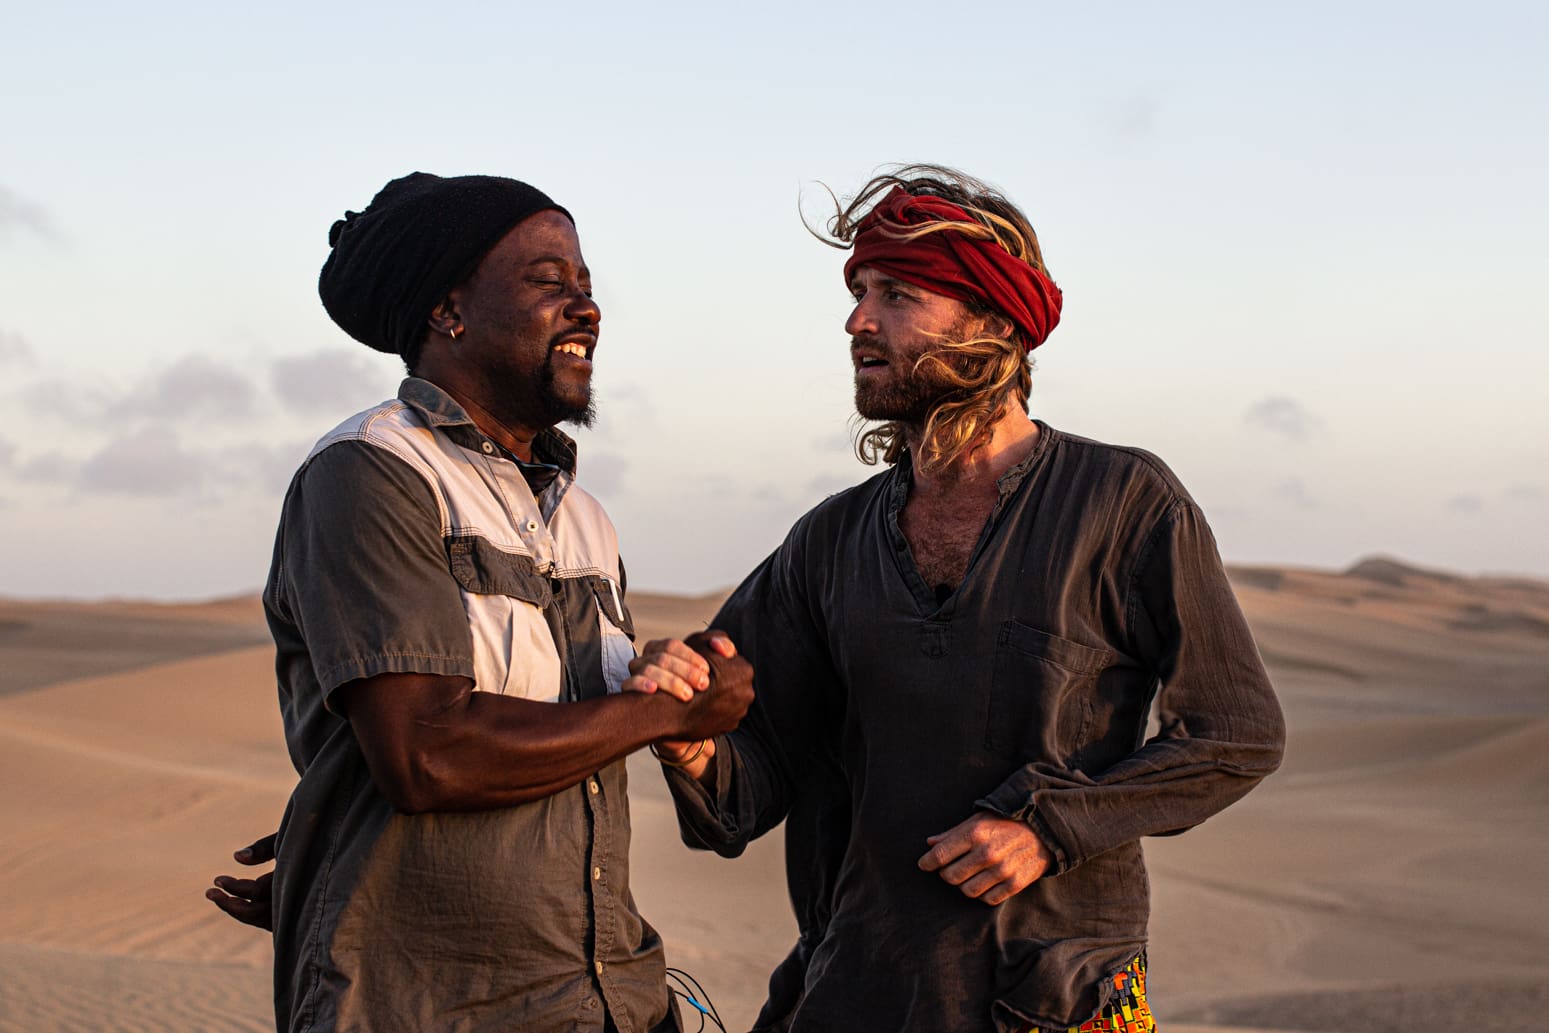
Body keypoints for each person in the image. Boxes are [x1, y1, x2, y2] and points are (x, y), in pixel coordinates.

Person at [643, 165, 1286, 1033]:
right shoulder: (827, 543)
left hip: (1055, 1001)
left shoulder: (1122, 504)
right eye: (858, 292)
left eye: (896, 294)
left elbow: (1235, 732)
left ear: (993, 323)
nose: (857, 320)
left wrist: (1050, 827)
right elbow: (743, 790)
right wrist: (686, 734)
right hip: (854, 993)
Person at [206, 172, 753, 1033]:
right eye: (547, 280)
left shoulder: (582, 517)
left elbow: (571, 746)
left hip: (611, 1000)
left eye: (585, 284)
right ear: (447, 309)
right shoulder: (374, 473)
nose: (586, 307)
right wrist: (659, 714)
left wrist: (666, 684)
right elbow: (428, 753)